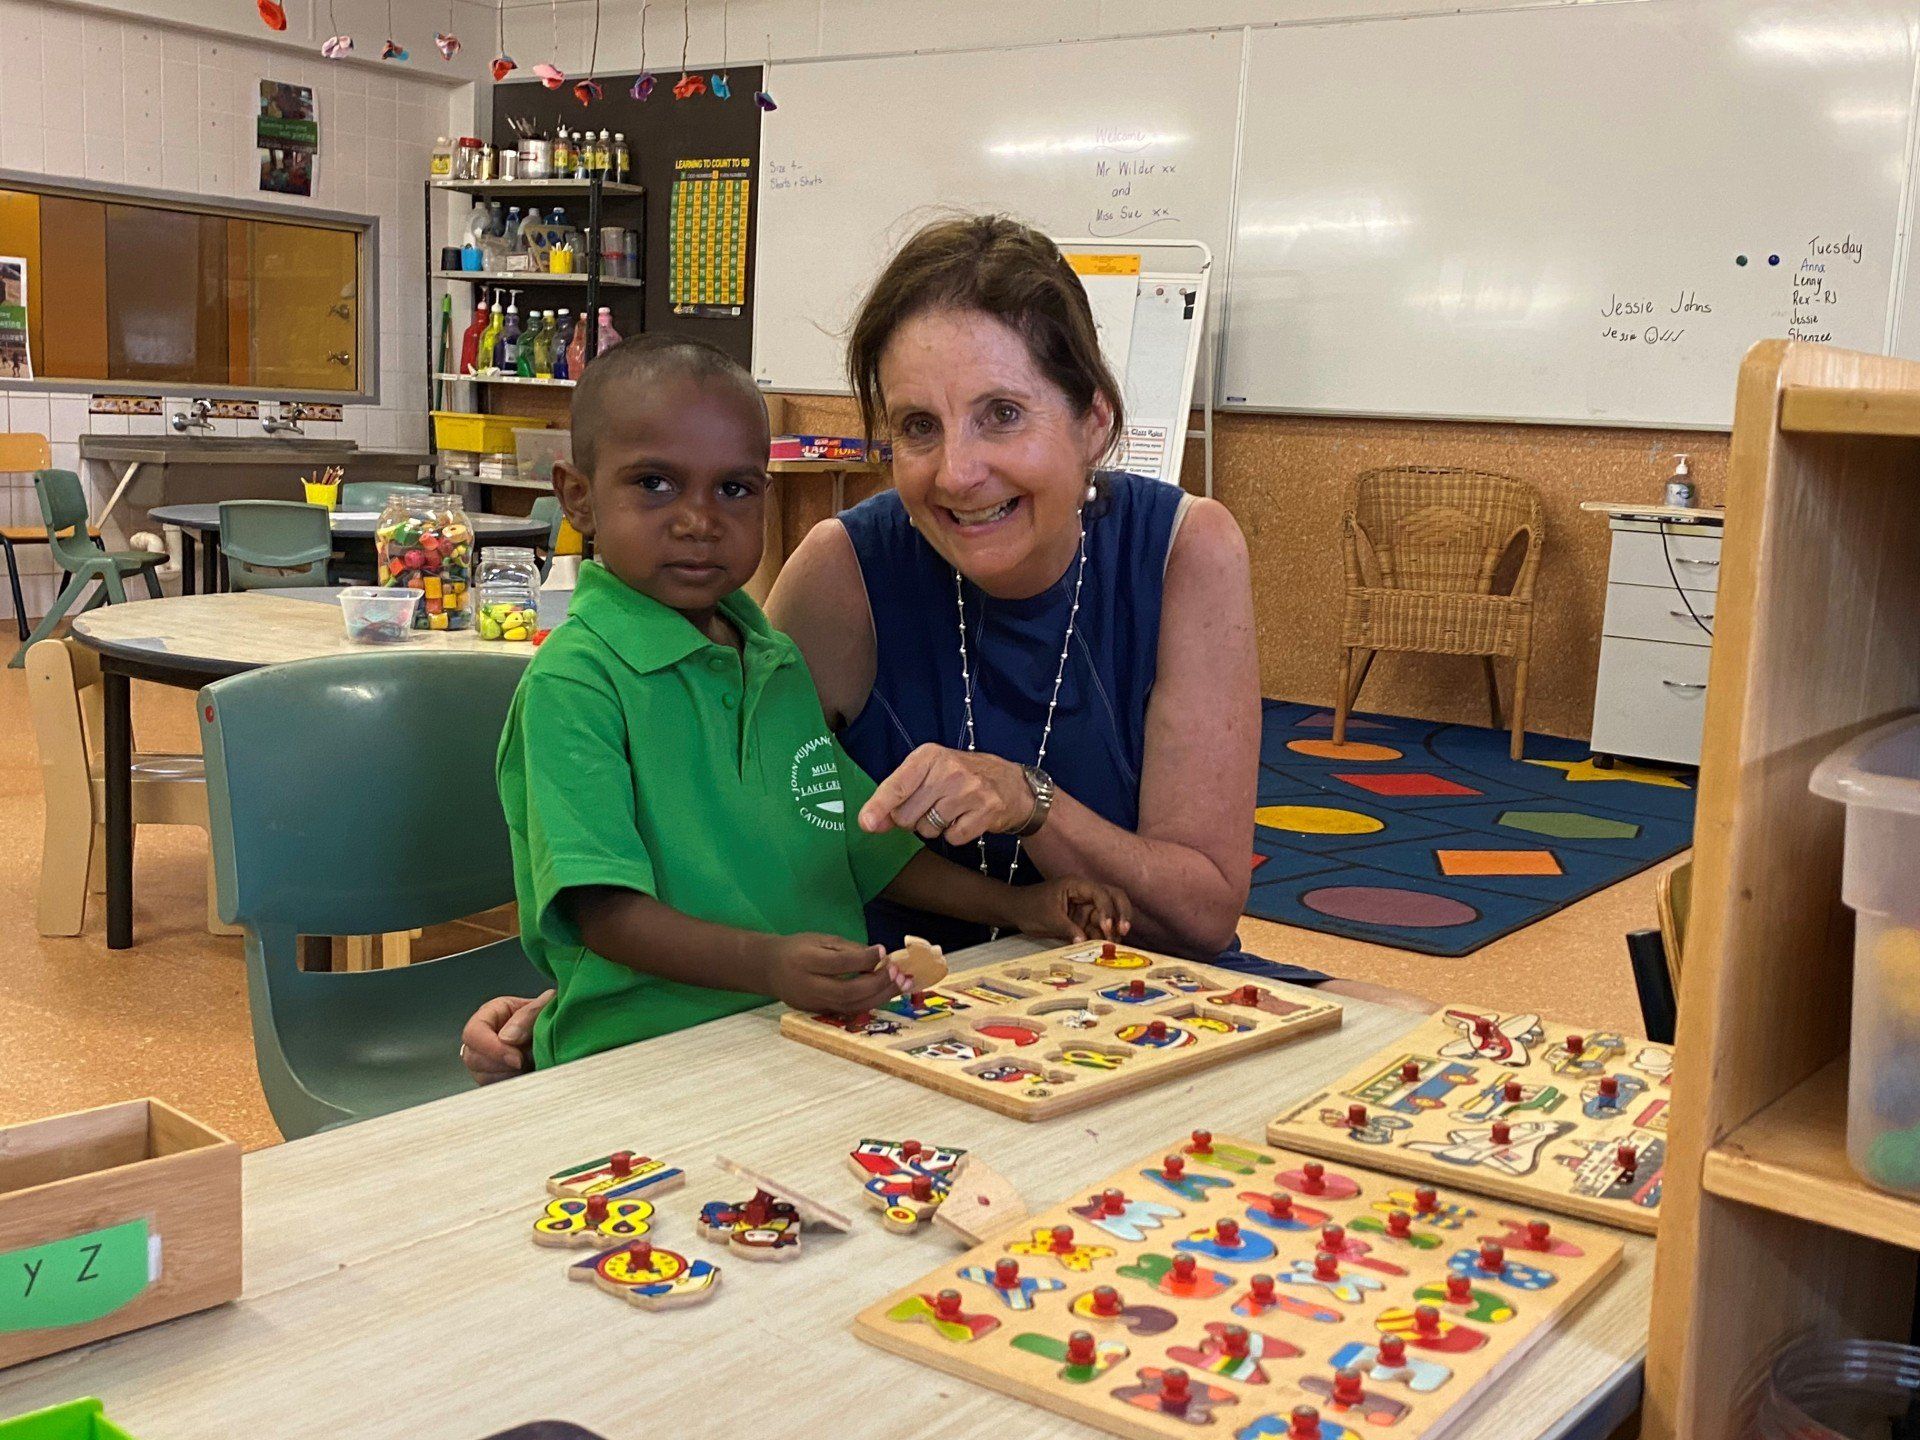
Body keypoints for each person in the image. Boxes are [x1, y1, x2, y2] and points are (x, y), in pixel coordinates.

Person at [463, 218, 1422, 1082]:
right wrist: (589, 995)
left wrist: (1030, 815)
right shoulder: (838, 574)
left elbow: (1204, 914)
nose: (959, 473)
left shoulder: (1182, 550)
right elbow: (717, 836)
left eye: (1002, 413)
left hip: (1106, 1002)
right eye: (919, 427)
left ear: (1093, 419)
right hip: (884, 1024)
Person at [486, 333, 1130, 1072]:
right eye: (655, 484)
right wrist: (770, 964)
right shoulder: (577, 682)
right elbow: (604, 914)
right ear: (579, 498)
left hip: (800, 1035)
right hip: (641, 1058)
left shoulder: (773, 660)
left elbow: (859, 844)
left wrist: (1019, 908)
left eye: (735, 489)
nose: (700, 519)